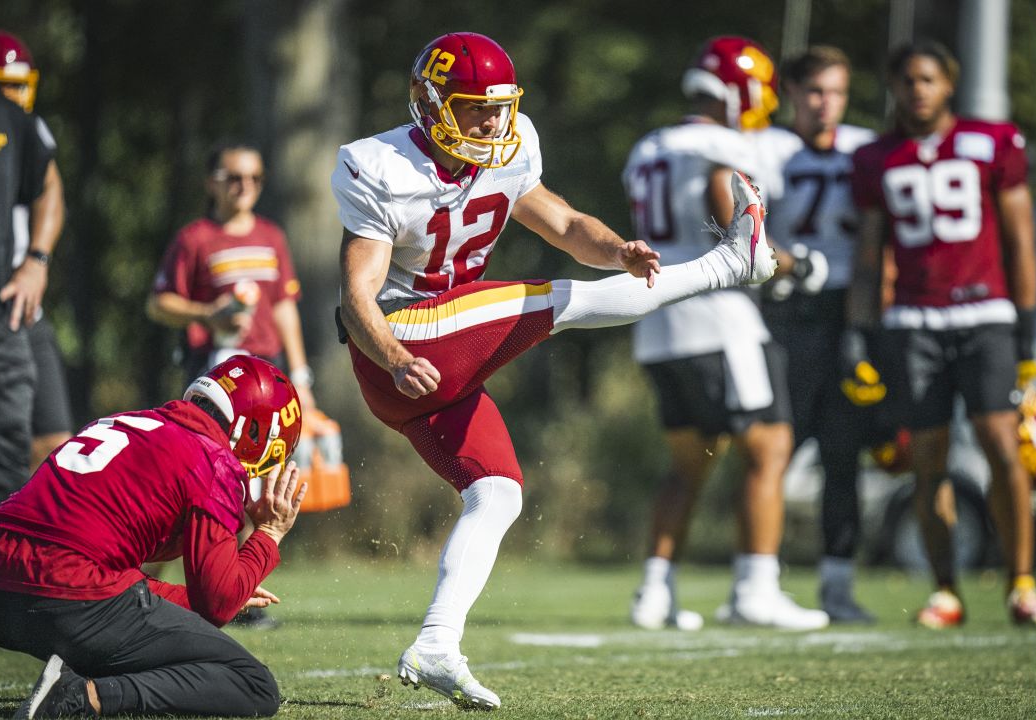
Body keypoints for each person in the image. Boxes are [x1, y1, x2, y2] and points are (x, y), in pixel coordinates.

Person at [333, 32, 776, 710]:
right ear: (430, 104)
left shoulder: (510, 150)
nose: (488, 122)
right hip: (403, 342)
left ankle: (436, 642)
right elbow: (355, 297)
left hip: (446, 353)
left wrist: (618, 249)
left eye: (498, 106)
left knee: (499, 494)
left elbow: (566, 224)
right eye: (472, 107)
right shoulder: (381, 165)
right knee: (553, 301)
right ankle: (726, 265)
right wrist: (394, 356)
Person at [0, 355, 308, 718]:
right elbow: (217, 603)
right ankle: (82, 698)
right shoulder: (212, 457)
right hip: (64, 594)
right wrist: (269, 534)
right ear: (254, 433)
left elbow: (114, 575)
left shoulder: (126, 422)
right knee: (254, 684)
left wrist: (191, 599)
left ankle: (77, 676)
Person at [622, 36, 829, 633]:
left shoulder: (648, 146)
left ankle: (654, 592)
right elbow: (735, 235)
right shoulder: (721, 146)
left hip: (658, 319)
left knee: (689, 463)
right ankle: (755, 588)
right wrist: (797, 264)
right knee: (769, 448)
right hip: (718, 320)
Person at [848, 40, 1036, 627]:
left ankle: (1021, 582)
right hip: (914, 320)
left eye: (927, 79)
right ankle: (946, 590)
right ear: (893, 88)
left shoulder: (992, 142)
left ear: (949, 83)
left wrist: (1029, 334)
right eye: (906, 80)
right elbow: (871, 252)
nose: (917, 90)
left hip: (986, 315)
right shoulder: (878, 156)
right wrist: (862, 336)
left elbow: (1019, 239)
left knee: (1000, 444)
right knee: (926, 457)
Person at [753, 46, 882, 623]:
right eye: (814, 91)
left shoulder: (864, 148)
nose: (825, 103)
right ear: (791, 95)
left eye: (835, 91)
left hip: (849, 316)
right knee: (773, 448)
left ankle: (837, 583)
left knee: (843, 455)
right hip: (787, 314)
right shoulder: (768, 149)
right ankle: (759, 578)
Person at [0, 3, 62, 539]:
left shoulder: (12, 122)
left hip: (5, 316)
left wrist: (36, 263)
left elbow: (49, 188)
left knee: (14, 459)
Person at [149, 143, 317, 412]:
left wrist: (300, 377)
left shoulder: (272, 236)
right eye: (234, 178)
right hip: (214, 370)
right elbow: (159, 304)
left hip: (268, 368)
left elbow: (284, 307)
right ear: (211, 183)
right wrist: (207, 315)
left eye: (255, 178)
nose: (246, 185)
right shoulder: (194, 238)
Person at [0, 27, 75, 472]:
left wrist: (37, 262)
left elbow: (51, 190)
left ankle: (40, 543)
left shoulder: (27, 128)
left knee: (57, 446)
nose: (13, 96)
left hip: (25, 308)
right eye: (3, 85)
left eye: (20, 85)